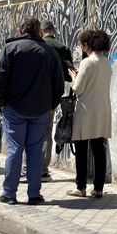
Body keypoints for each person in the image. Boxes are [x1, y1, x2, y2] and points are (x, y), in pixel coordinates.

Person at [0, 16, 63, 205]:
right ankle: (34, 194)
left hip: (14, 108)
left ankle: (9, 194)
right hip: (40, 110)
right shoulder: (49, 51)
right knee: (35, 151)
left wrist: (2, 102)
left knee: (15, 150)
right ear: (39, 31)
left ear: (21, 30)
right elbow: (59, 84)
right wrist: (51, 105)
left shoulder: (10, 49)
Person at [65, 29, 113, 199]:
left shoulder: (87, 62)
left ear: (87, 45)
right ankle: (98, 188)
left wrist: (73, 77)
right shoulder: (107, 63)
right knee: (99, 149)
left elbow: (78, 89)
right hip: (103, 110)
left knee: (81, 150)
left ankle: (81, 186)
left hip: (86, 110)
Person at [35, 20, 74, 182]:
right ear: (54, 31)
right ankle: (43, 169)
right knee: (46, 131)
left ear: (41, 31)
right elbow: (68, 75)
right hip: (51, 96)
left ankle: (28, 168)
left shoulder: (36, 44)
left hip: (32, 94)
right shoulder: (62, 48)